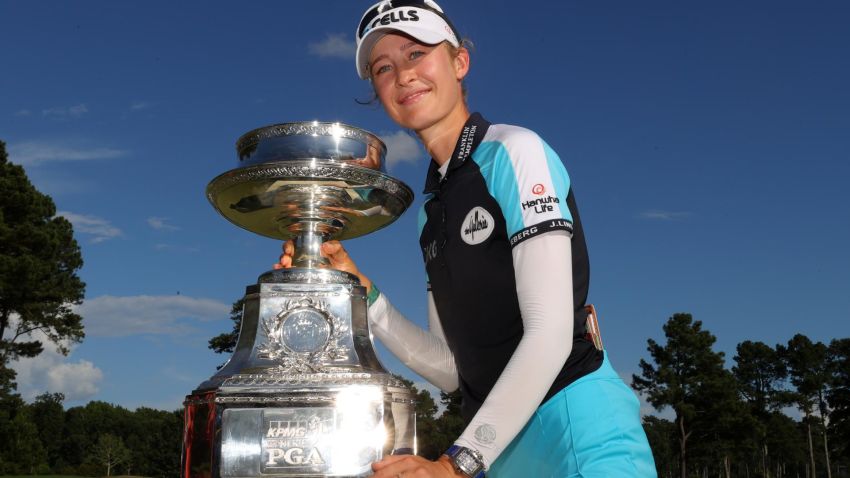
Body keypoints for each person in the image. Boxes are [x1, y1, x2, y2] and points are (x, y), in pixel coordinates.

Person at [276, 1, 657, 476]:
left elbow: (551, 335)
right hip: (500, 446)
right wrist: (360, 290)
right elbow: (453, 369)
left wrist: (456, 464)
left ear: (459, 62)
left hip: (574, 423)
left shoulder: (514, 152)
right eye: (383, 68)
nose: (403, 75)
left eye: (417, 54)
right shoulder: (431, 211)